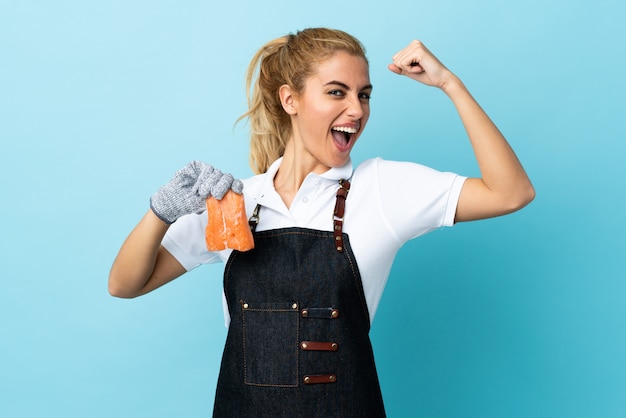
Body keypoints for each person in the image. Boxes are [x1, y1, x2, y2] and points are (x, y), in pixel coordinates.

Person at [109, 27, 535, 417]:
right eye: (337, 92)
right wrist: (161, 211)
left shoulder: (383, 188)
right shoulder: (236, 200)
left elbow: (511, 192)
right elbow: (125, 284)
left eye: (364, 95)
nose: (356, 110)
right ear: (289, 100)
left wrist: (450, 84)